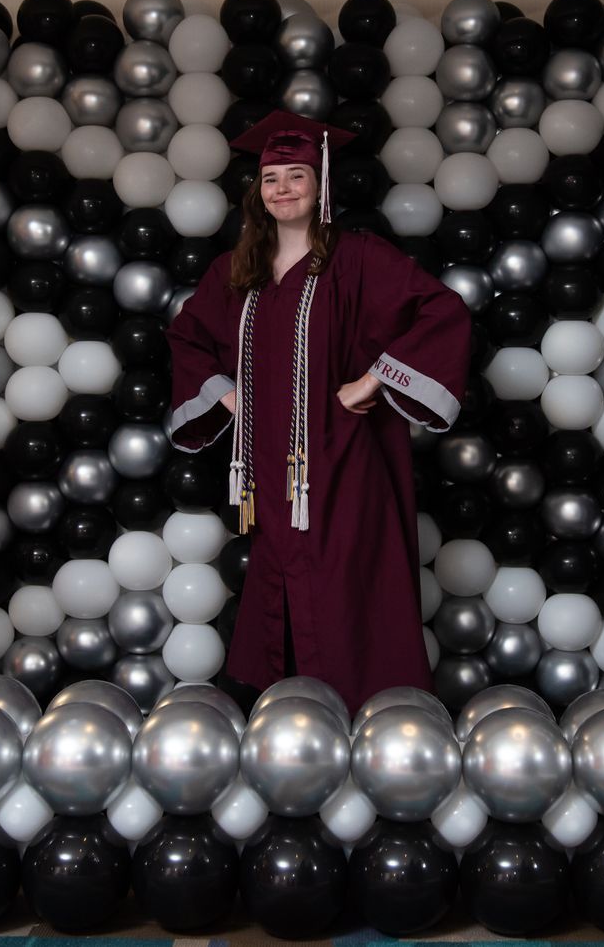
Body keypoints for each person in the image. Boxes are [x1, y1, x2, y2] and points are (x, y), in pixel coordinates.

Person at [166, 110, 472, 712]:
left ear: (320, 184)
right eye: (271, 178)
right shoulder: (237, 272)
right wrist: (226, 393)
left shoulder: (357, 259)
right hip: (269, 470)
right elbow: (188, 337)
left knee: (348, 583)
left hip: (345, 459)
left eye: (296, 176)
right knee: (280, 584)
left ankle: (371, 717)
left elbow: (442, 311)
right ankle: (290, 718)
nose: (282, 189)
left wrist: (375, 379)